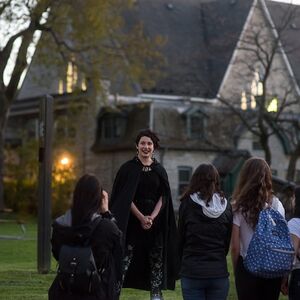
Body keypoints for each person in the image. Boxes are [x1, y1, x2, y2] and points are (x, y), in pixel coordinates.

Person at [110, 129, 179, 300]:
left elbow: (164, 197)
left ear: (154, 147)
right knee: (124, 261)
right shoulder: (127, 169)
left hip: (154, 226)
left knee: (156, 262)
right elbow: (124, 197)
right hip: (131, 224)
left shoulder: (159, 170)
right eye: (143, 143)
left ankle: (156, 295)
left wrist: (151, 218)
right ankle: (113, 294)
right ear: (137, 146)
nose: (146, 147)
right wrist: (141, 217)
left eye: (149, 144)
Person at [48, 174, 123, 300]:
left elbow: (57, 254)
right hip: (96, 291)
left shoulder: (59, 225)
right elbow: (119, 248)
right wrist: (106, 212)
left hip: (64, 290)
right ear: (99, 199)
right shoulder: (106, 227)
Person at [231, 157, 285, 300]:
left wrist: (237, 271)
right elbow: (282, 241)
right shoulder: (277, 205)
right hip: (272, 267)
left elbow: (235, 246)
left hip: (247, 267)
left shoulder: (238, 207)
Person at [178, 163, 233, 300]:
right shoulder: (226, 206)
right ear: (216, 181)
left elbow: (180, 238)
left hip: (192, 271)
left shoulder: (187, 203)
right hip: (218, 272)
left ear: (195, 180)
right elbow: (226, 242)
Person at [285, 186, 300, 299]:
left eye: (294, 197)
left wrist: (283, 279)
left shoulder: (295, 223)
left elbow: (290, 254)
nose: (292, 200)